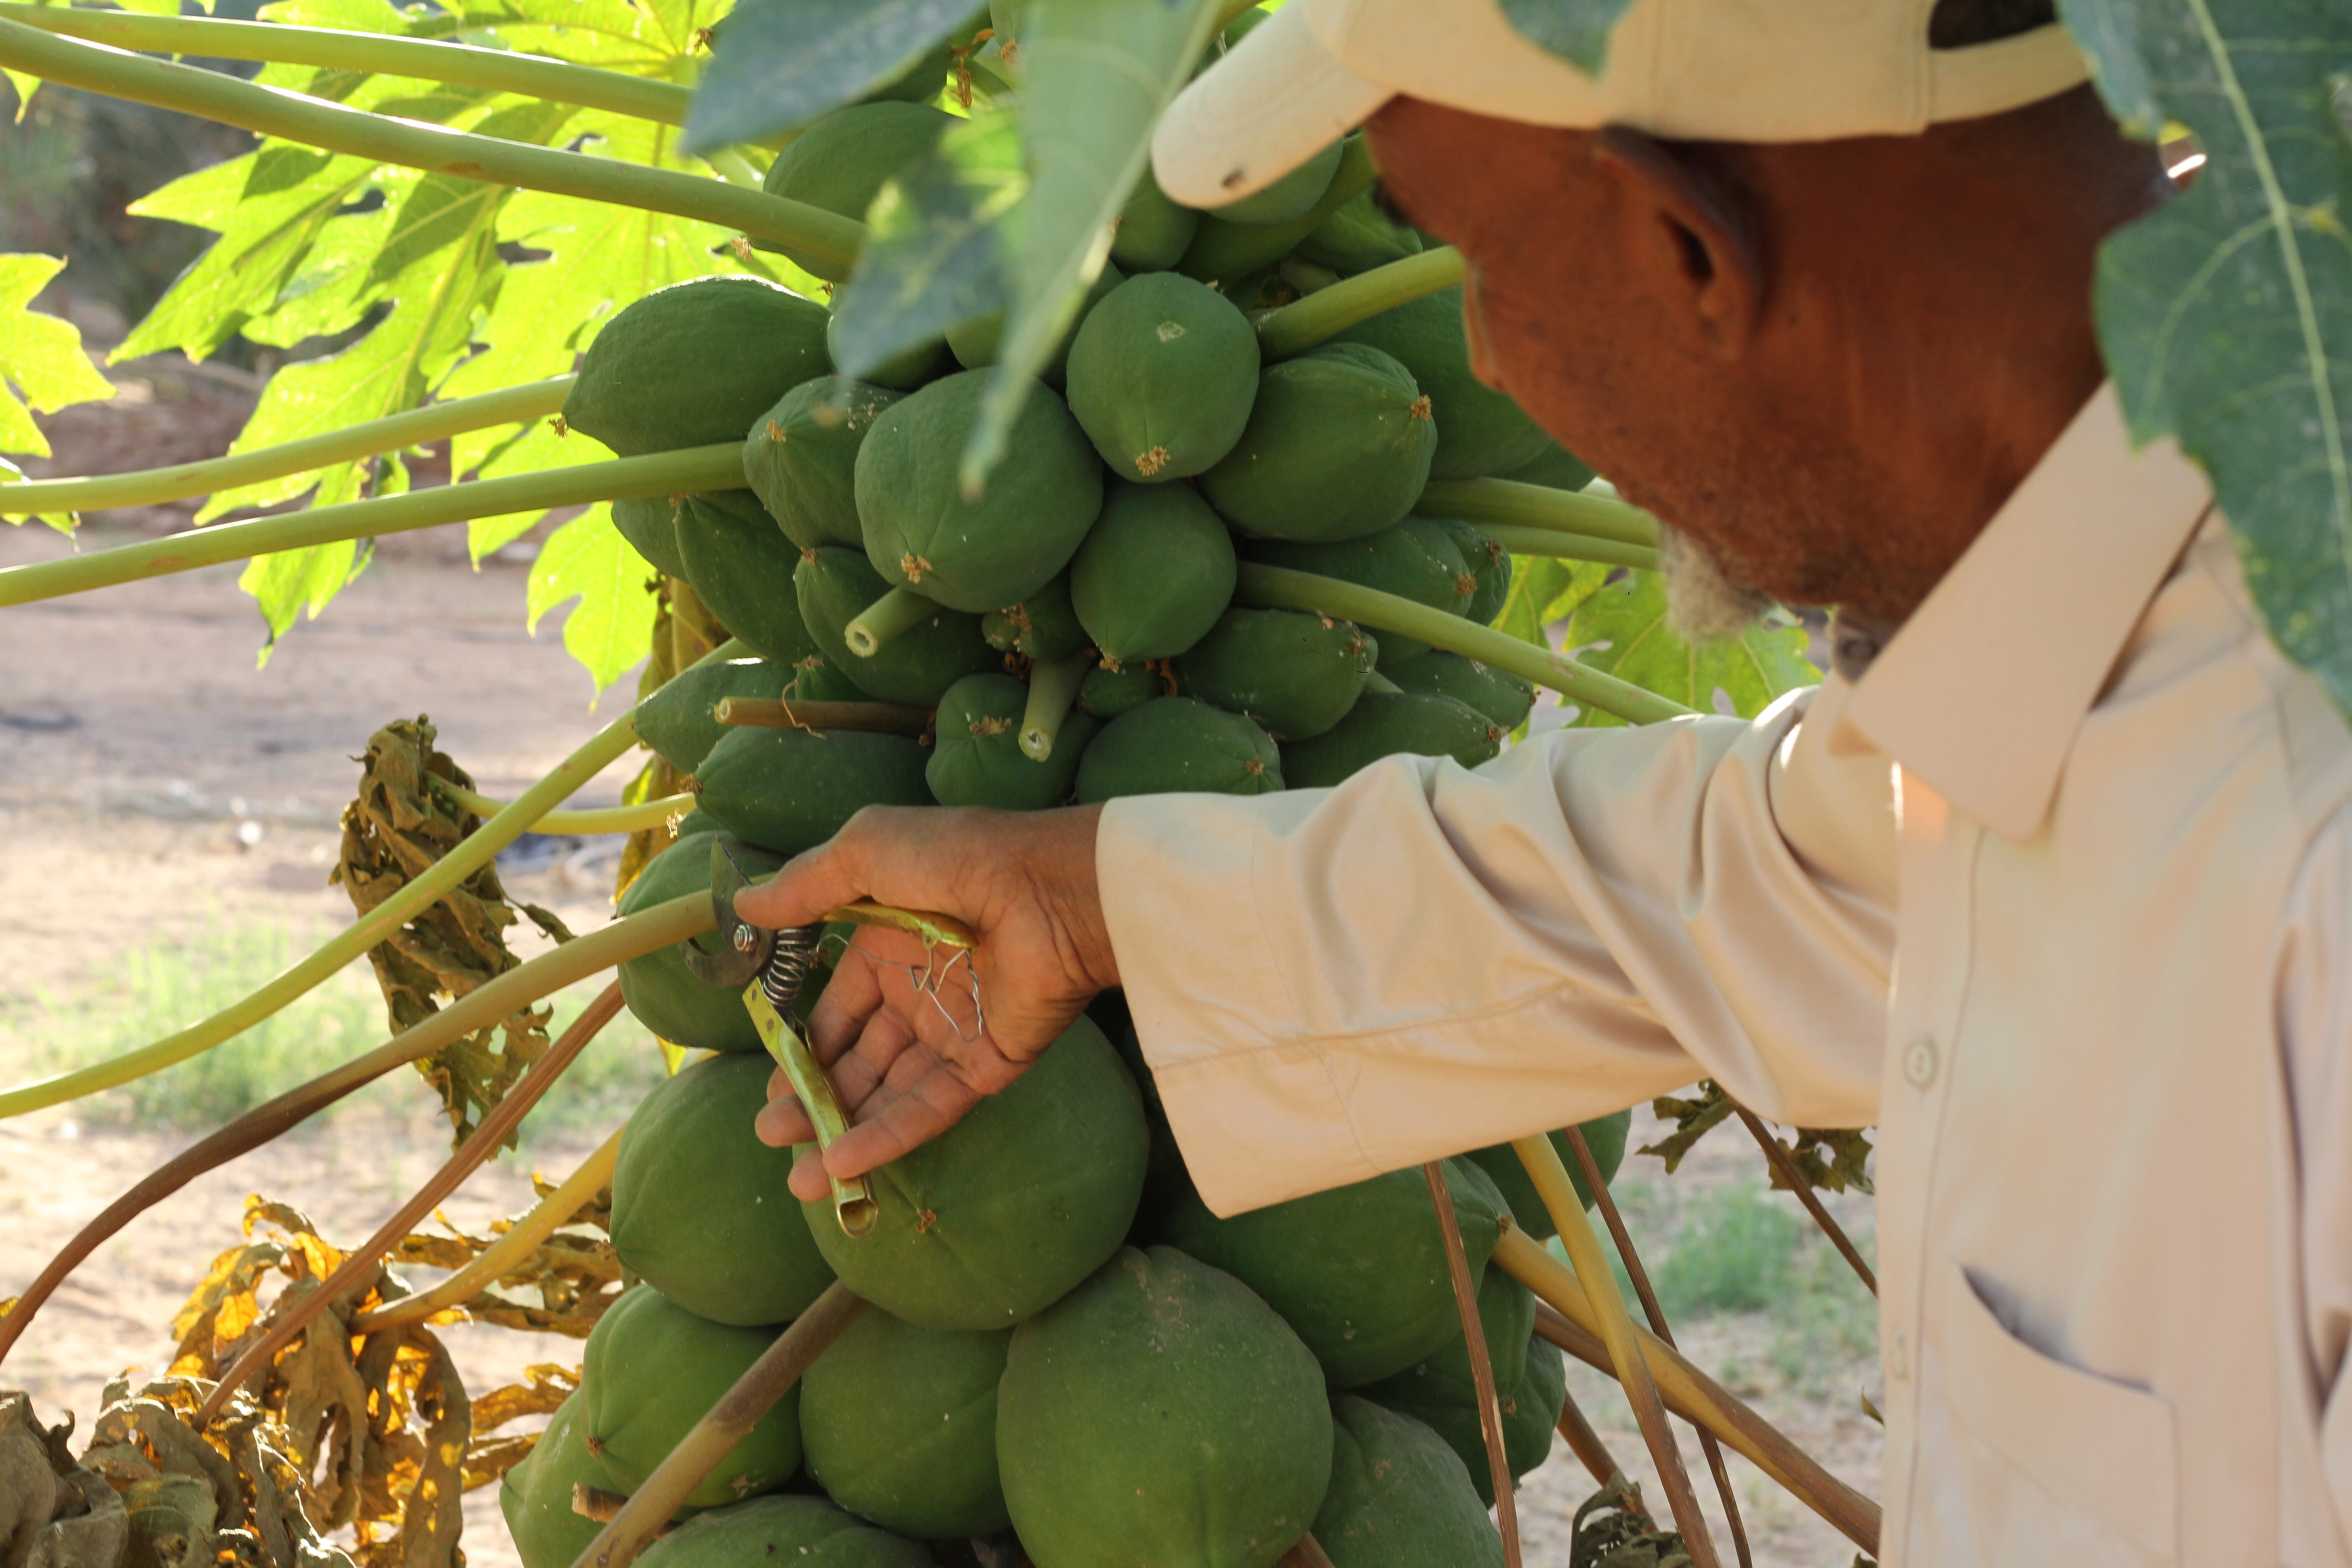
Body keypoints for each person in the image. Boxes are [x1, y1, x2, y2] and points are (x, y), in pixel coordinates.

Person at [739, 0, 2352, 1558]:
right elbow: (1735, 881)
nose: (1493, 365)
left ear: (1686, 250)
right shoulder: (2127, 661)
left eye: (1490, 264)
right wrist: (1091, 909)